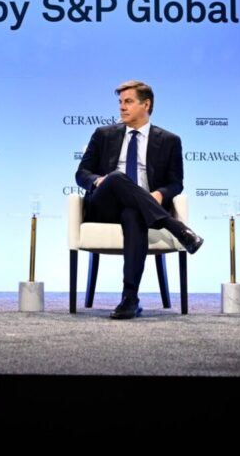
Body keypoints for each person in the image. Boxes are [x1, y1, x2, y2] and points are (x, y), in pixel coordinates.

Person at [75, 80, 204, 319]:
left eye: (128, 101)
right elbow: (81, 174)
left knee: (133, 214)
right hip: (104, 206)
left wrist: (159, 194)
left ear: (146, 104)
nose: (122, 107)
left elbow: (176, 183)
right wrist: (98, 181)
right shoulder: (103, 134)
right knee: (115, 178)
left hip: (143, 209)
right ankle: (177, 228)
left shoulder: (170, 140)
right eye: (120, 102)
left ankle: (130, 298)